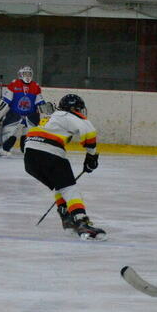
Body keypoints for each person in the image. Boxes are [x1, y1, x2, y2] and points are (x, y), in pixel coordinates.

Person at [24, 94, 105, 241]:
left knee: (60, 185)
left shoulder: (53, 115)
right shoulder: (72, 116)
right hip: (49, 152)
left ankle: (67, 219)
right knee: (69, 188)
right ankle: (81, 222)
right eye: (79, 109)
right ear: (74, 109)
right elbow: (90, 132)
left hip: (29, 157)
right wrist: (91, 156)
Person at [0, 65, 47, 157]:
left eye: (29, 74)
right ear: (20, 74)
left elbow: (40, 103)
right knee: (8, 137)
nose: (27, 76)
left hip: (30, 117)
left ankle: (27, 148)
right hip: (14, 115)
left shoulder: (35, 86)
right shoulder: (14, 84)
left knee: (30, 141)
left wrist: (49, 111)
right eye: (25, 74)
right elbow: (5, 101)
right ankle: (0, 148)